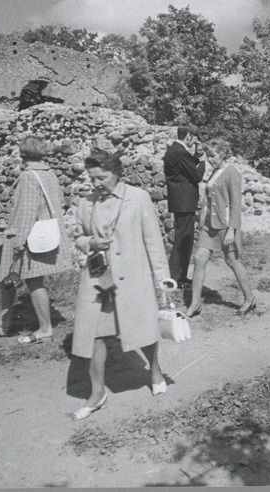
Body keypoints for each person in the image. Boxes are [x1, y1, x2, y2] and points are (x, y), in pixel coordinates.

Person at [70, 150, 174, 420]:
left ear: (116, 174)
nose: (95, 184)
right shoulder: (86, 202)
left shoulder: (138, 198)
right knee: (94, 332)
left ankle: (154, 370)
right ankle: (97, 393)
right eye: (92, 178)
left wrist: (163, 282)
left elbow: (154, 242)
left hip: (133, 276)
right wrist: (89, 243)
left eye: (101, 177)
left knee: (143, 326)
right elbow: (78, 236)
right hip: (98, 278)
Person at [0, 135, 72, 342]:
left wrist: (19, 241)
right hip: (41, 235)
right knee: (6, 274)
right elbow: (60, 201)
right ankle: (4, 319)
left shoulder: (29, 176)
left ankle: (45, 329)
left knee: (34, 281)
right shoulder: (50, 174)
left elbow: (27, 211)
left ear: (22, 154)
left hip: (28, 236)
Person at [186, 138, 255, 317]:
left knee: (232, 260)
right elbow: (208, 200)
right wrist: (201, 222)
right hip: (210, 226)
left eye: (213, 155)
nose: (209, 159)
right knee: (200, 258)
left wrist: (232, 229)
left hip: (226, 225)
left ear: (224, 153)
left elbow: (235, 205)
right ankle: (195, 303)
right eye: (208, 156)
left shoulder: (232, 172)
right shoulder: (215, 172)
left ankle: (249, 298)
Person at [163, 125, 206, 287]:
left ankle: (180, 277)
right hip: (184, 203)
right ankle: (173, 278)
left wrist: (195, 156)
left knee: (185, 240)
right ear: (188, 136)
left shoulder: (175, 151)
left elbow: (185, 169)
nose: (195, 142)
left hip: (182, 202)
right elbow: (196, 176)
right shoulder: (179, 151)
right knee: (183, 240)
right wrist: (202, 162)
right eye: (194, 138)